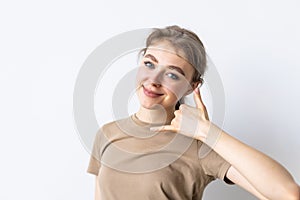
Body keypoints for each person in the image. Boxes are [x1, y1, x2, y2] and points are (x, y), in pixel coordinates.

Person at [87, 25, 300, 199]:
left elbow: (287, 194)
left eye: (172, 75)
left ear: (191, 86)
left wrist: (208, 133)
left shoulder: (199, 146)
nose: (153, 81)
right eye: (150, 64)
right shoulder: (107, 133)